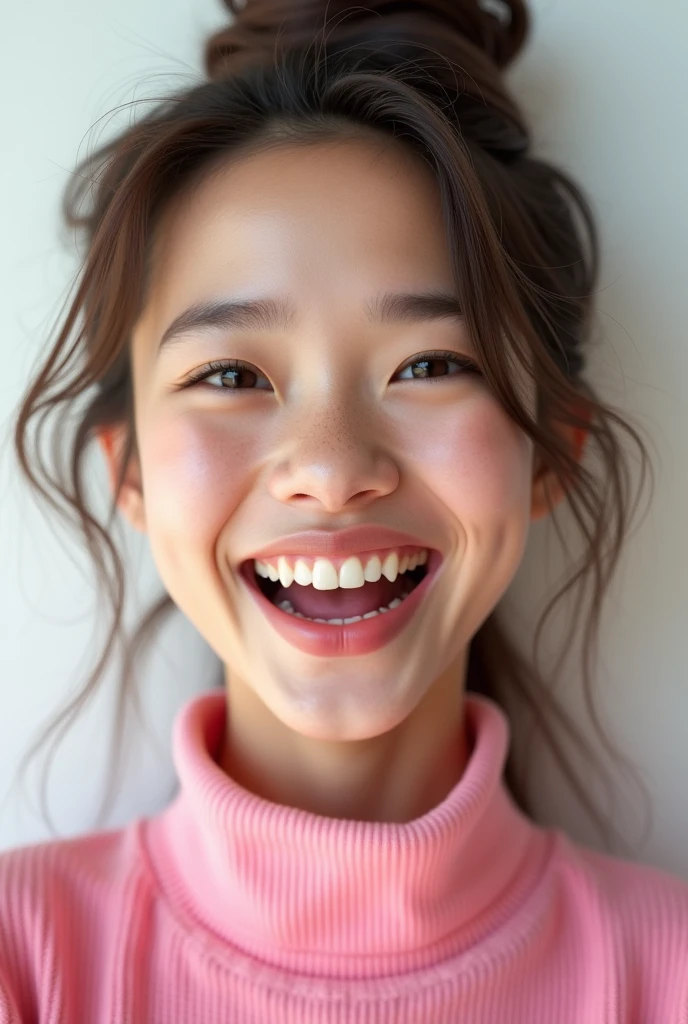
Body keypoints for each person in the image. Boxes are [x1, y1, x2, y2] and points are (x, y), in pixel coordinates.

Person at [3, 0, 688, 1020]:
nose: (330, 471)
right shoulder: (25, 958)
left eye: (429, 365)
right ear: (130, 467)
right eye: (231, 373)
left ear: (554, 450)